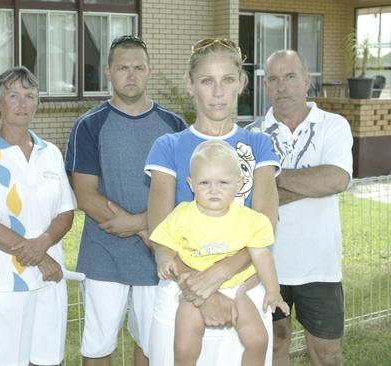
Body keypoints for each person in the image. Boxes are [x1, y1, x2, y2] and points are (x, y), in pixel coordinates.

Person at [144, 38, 281, 366]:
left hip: (245, 289)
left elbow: (265, 224)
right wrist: (198, 292)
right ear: (190, 85)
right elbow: (159, 232)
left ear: (242, 83)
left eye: (227, 80)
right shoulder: (169, 146)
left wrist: (218, 276)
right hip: (182, 290)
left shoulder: (259, 144)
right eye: (207, 81)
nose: (218, 92)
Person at [65, 35, 187, 366]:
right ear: (108, 72)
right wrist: (142, 226)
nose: (130, 75)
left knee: (153, 342)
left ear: (150, 71)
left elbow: (183, 195)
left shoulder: (174, 126)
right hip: (104, 252)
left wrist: (136, 224)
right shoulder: (89, 125)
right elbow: (85, 194)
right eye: (122, 68)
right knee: (97, 346)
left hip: (158, 253)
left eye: (138, 67)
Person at [247, 50, 353, 366]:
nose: (283, 87)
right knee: (274, 348)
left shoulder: (333, 125)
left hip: (320, 265)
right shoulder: (252, 135)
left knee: (327, 353)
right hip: (266, 265)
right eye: (274, 79)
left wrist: (272, 180)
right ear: (266, 87)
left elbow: (336, 178)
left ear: (307, 81)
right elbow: (249, 197)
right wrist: (309, 182)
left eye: (290, 76)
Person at [151, 139, 289, 366]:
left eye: (223, 182)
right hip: (195, 288)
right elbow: (163, 243)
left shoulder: (250, 220)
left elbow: (262, 255)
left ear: (239, 183)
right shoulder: (182, 215)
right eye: (204, 182)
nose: (213, 189)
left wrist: (273, 291)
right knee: (185, 345)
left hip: (238, 289)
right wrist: (164, 257)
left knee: (258, 340)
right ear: (191, 184)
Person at [0, 66, 75, 366]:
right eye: (12, 95)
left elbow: (66, 212)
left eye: (30, 95)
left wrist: (43, 245)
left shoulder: (51, 152)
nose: (22, 103)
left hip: (49, 279)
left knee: (46, 359)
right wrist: (40, 257)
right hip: (4, 281)